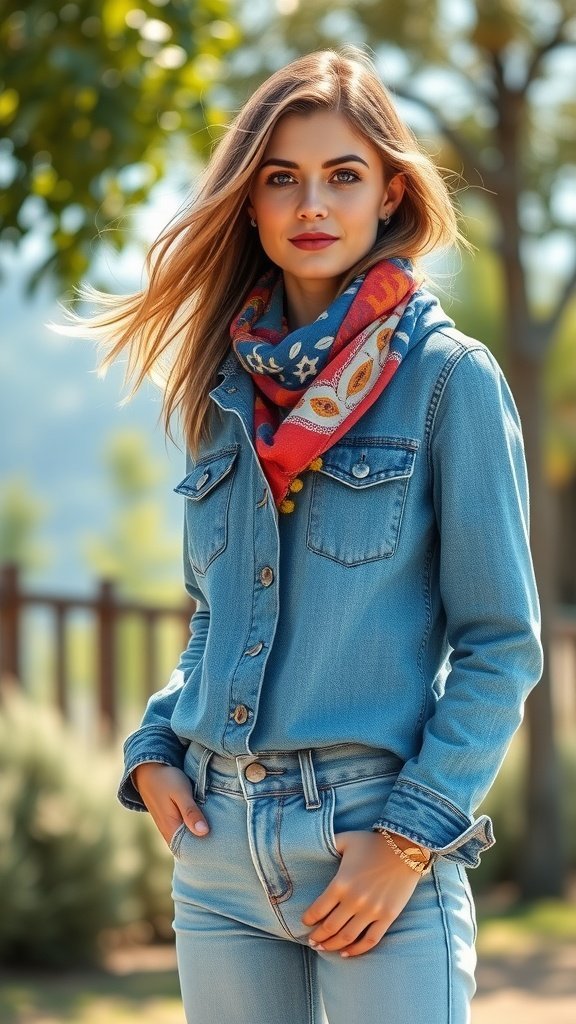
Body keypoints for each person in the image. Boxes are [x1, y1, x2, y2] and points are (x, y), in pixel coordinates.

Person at [67, 46, 542, 1024]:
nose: (311, 203)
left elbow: (501, 647)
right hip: (217, 856)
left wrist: (408, 838)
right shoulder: (220, 396)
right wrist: (156, 743)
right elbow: (216, 619)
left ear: (390, 193)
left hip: (373, 842)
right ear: (250, 202)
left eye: (343, 175)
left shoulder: (451, 380)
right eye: (281, 178)